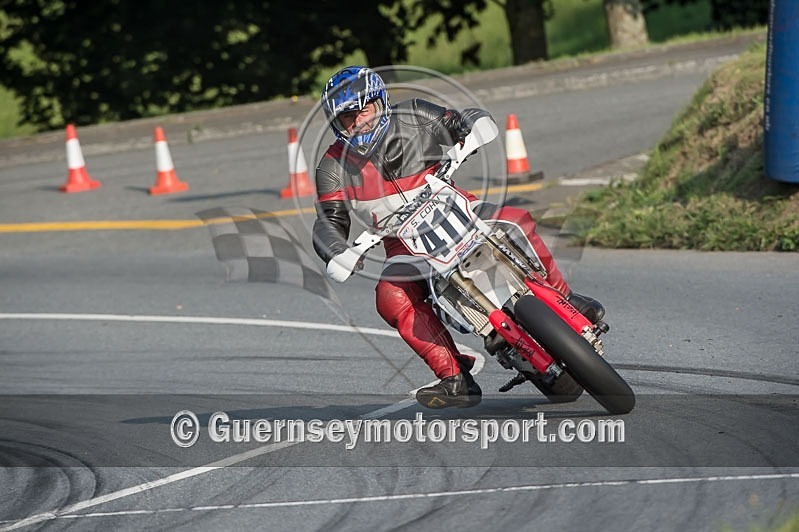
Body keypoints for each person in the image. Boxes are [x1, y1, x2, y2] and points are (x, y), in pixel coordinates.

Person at [312, 66, 604, 409]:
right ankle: (455, 378)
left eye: (364, 110)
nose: (358, 122)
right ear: (336, 122)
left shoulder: (415, 115)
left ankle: (566, 297)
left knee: (517, 220)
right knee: (390, 297)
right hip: (400, 242)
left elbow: (460, 121)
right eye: (347, 117)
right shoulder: (332, 167)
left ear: (381, 102)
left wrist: (473, 127)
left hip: (455, 206)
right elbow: (329, 220)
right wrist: (336, 250)